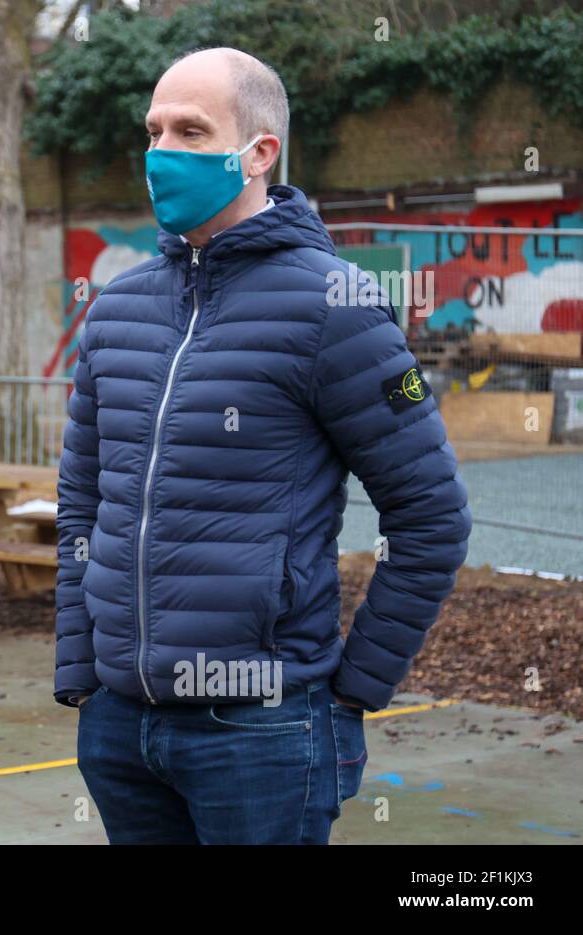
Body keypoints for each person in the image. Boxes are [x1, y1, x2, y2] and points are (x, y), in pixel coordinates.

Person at [53, 47, 472, 844]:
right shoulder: (116, 311)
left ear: (259, 152)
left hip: (264, 733)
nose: (161, 152)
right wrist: (82, 673)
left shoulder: (335, 306)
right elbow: (83, 504)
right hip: (118, 728)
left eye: (190, 130)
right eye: (153, 130)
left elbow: (432, 516)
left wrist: (352, 689)